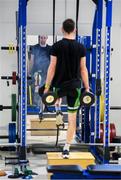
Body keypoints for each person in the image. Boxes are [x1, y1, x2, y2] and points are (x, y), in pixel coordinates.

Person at [44, 19, 90, 158]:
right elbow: (83, 69)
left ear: (62, 29)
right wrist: (87, 88)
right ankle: (66, 148)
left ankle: (57, 109)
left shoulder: (56, 46)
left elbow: (51, 68)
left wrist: (47, 87)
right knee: (72, 120)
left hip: (59, 86)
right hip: (75, 88)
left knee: (55, 100)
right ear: (74, 30)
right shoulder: (81, 47)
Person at [28, 35, 51, 119]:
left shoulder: (50, 48)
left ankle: (44, 108)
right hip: (37, 73)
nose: (43, 39)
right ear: (39, 38)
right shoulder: (35, 48)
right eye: (41, 38)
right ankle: (40, 110)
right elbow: (31, 61)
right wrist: (28, 73)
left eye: (44, 38)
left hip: (47, 73)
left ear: (47, 38)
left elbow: (52, 61)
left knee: (46, 91)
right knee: (38, 91)